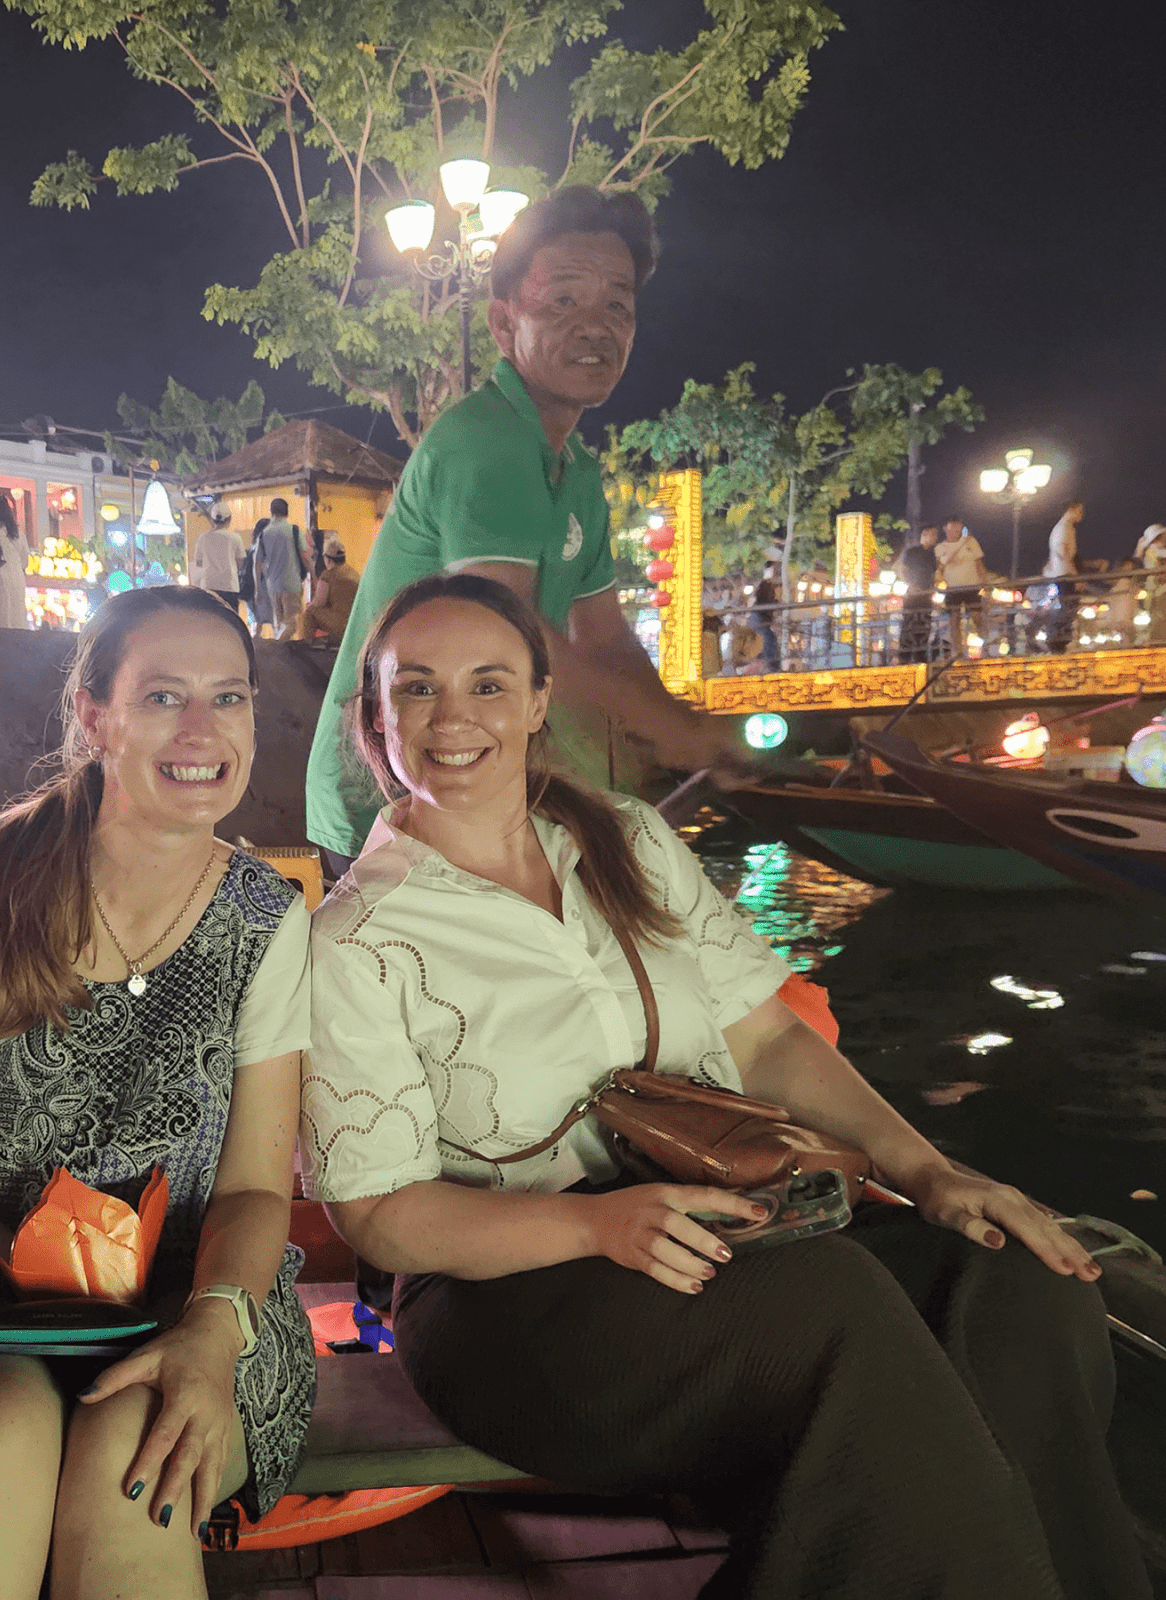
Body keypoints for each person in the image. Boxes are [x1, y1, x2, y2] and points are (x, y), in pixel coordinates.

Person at [299, 571, 1148, 1600]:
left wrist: (929, 1170)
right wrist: (599, 1227)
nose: (452, 718)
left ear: (535, 702)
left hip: (727, 1230)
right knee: (826, 1304)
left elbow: (769, 1043)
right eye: (417, 688)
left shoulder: (629, 841)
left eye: (487, 684)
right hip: (508, 1301)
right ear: (374, 717)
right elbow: (382, 1217)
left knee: (1011, 1275)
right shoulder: (358, 938)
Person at [0, 587, 316, 1600]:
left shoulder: (267, 917)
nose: (202, 732)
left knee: (131, 1468)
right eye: (163, 696)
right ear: (93, 712)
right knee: (0, 1441)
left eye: (228, 699)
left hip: (201, 1309)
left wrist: (212, 1333)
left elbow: (256, 1192)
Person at [304, 186, 740, 876]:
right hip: (389, 792)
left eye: (617, 304)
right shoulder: (488, 442)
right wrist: (682, 734)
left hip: (481, 784)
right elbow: (511, 635)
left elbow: (606, 638)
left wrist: (680, 738)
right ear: (504, 325)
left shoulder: (576, 472)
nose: (596, 326)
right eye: (564, 300)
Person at [255, 498, 308, 641]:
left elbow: (258, 563)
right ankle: (278, 643)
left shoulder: (264, 533)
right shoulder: (293, 530)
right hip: (291, 585)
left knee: (281, 624)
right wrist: (314, 577)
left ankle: (282, 652)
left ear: (271, 512)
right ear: (287, 512)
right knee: (293, 623)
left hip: (273, 587)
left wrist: (258, 589)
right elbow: (304, 557)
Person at [935, 515, 987, 655]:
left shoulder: (972, 542)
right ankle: (956, 650)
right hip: (953, 586)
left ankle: (987, 645)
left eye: (959, 525)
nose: (956, 529)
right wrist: (962, 542)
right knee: (954, 618)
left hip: (972, 585)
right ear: (946, 528)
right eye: (953, 525)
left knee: (977, 616)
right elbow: (944, 562)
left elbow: (979, 563)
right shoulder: (941, 547)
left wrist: (985, 582)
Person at [296, 535, 359, 644]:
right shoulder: (353, 573)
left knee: (309, 612)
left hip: (340, 624)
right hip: (355, 623)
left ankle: (306, 646)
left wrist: (309, 605)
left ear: (328, 560)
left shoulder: (328, 575)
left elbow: (319, 602)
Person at [1042, 499, 1083, 654]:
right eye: (1079, 511)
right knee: (1066, 610)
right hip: (1064, 576)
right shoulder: (1063, 528)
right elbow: (1063, 553)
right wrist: (1075, 576)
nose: (1081, 515)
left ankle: (1059, 643)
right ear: (1072, 509)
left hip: (1062, 575)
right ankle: (1057, 644)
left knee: (1066, 610)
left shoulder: (1066, 528)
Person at [0, 493, 30, 630]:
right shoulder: (19, 534)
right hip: (17, 578)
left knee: (1, 617)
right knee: (18, 616)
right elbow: (25, 562)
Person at [896, 523, 940, 662]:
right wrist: (911, 584)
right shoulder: (912, 552)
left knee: (924, 624)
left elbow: (936, 573)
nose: (935, 538)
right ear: (924, 535)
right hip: (913, 594)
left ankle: (921, 654)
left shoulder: (933, 554)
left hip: (926, 595)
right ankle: (905, 655)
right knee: (909, 623)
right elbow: (902, 570)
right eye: (933, 534)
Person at [191, 507, 245, 616]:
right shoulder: (235, 538)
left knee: (210, 617)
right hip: (230, 584)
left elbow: (198, 562)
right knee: (231, 619)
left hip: (209, 584)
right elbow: (240, 562)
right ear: (229, 520)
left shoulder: (203, 537)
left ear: (212, 519)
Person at [746, 563, 781, 672]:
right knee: (769, 636)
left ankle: (770, 663)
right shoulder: (765, 585)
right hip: (758, 617)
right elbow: (765, 603)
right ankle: (771, 665)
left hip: (758, 616)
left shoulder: (766, 585)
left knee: (770, 637)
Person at [1136, 522, 1166, 645]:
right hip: (1156, 590)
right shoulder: (1153, 551)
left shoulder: (1154, 551)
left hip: (1156, 590)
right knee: (1156, 616)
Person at [245, 518, 274, 638]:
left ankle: (254, 649)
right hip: (263, 588)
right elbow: (263, 568)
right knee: (275, 622)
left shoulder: (252, 546)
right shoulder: (263, 547)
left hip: (250, 588)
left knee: (256, 623)